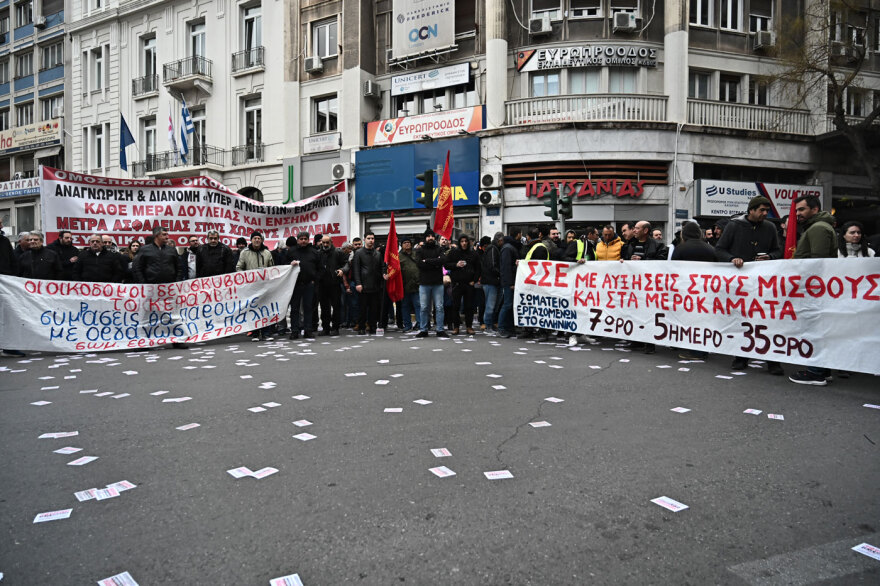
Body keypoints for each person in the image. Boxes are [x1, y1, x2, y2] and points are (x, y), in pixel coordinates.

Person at [789, 195, 838, 386]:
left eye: (801, 210)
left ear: (814, 209)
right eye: (797, 211)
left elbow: (818, 262)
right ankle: (822, 370)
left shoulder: (818, 228)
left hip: (813, 290)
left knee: (814, 328)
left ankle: (815, 372)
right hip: (814, 289)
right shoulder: (819, 227)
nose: (798, 214)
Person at [131, 227, 188, 348]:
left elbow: (178, 267)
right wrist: (144, 284)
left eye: (167, 234)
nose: (167, 236)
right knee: (147, 316)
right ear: (157, 236)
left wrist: (176, 282)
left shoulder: (171, 250)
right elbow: (137, 268)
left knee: (173, 316)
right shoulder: (145, 250)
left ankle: (177, 340)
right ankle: (142, 342)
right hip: (151, 289)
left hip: (169, 289)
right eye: (164, 234)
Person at [673, 222, 718, 360]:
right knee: (702, 320)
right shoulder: (710, 248)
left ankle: (695, 351)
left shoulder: (681, 248)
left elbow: (673, 269)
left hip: (687, 291)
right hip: (705, 290)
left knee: (690, 320)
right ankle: (703, 349)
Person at [621, 221, 667, 353]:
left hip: (649, 286)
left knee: (649, 314)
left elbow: (662, 263)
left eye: (637, 228)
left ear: (645, 231)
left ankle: (650, 343)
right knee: (634, 313)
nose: (634, 230)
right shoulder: (631, 244)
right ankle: (636, 340)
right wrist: (624, 262)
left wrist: (643, 261)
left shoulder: (658, 245)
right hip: (633, 285)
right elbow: (625, 258)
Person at [236, 231, 275, 341]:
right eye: (255, 238)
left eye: (259, 238)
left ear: (262, 240)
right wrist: (245, 278)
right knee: (253, 309)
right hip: (251, 286)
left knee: (265, 309)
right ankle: (255, 333)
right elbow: (239, 267)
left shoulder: (267, 253)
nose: (257, 240)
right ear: (251, 240)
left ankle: (266, 333)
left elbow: (272, 268)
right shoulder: (244, 253)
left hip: (264, 286)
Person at [285, 232, 320, 339]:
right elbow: (283, 266)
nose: (303, 240)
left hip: (309, 284)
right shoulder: (291, 251)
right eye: (301, 239)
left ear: (308, 239)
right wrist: (290, 265)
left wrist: (315, 280)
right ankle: (295, 331)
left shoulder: (314, 252)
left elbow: (319, 269)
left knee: (308, 308)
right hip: (295, 284)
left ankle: (308, 330)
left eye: (305, 238)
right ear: (297, 240)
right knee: (294, 309)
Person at [414, 230, 448, 338]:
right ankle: (423, 329)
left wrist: (427, 261)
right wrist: (435, 262)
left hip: (437, 283)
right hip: (424, 283)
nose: (430, 238)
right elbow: (419, 264)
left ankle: (440, 329)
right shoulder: (420, 250)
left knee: (439, 307)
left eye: (432, 236)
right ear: (425, 238)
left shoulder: (440, 249)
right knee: (424, 307)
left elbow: (442, 260)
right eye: (428, 236)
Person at [445, 234, 481, 335]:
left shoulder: (473, 254)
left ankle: (469, 326)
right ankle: (456, 327)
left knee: (469, 306)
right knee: (455, 306)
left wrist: (474, 280)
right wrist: (455, 265)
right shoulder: (454, 252)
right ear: (459, 242)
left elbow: (478, 268)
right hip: (457, 283)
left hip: (469, 284)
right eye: (462, 241)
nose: (464, 243)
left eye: (465, 241)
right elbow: (446, 264)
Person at [315, 234, 349, 336]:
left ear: (331, 242)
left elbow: (347, 263)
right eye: (323, 242)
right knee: (324, 307)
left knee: (336, 306)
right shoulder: (318, 253)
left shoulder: (338, 252)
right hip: (322, 284)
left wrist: (342, 270)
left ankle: (335, 327)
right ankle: (326, 328)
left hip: (334, 283)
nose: (325, 244)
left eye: (327, 242)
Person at [0, 218, 24, 356]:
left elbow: (12, 260)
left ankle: (8, 346)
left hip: (5, 283)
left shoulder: (4, 241)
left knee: (8, 315)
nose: (2, 226)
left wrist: (13, 278)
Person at [352, 232, 383, 335]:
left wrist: (384, 274)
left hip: (375, 285)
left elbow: (381, 268)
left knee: (374, 309)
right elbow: (356, 269)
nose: (371, 240)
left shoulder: (378, 254)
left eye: (373, 238)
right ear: (364, 239)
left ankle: (373, 327)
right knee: (362, 309)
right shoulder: (359, 253)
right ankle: (361, 327)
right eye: (369, 238)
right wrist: (358, 283)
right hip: (363, 285)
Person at [497, 227, 522, 338]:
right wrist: (510, 283)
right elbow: (506, 267)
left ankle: (509, 327)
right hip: (509, 282)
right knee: (507, 305)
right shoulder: (508, 248)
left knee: (510, 305)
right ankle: (502, 328)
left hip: (510, 281)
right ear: (518, 235)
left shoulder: (508, 247)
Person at [480, 232, 504, 332]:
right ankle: (488, 325)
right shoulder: (493, 249)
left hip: (490, 280)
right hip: (491, 281)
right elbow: (492, 265)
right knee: (491, 304)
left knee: (491, 304)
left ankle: (489, 324)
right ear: (499, 240)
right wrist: (500, 274)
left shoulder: (492, 248)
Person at [398, 238, 421, 332]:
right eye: (405, 242)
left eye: (408, 242)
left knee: (418, 305)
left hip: (417, 285)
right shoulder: (398, 256)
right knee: (405, 306)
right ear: (401, 245)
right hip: (404, 286)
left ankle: (420, 324)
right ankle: (407, 325)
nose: (407, 244)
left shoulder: (417, 254)